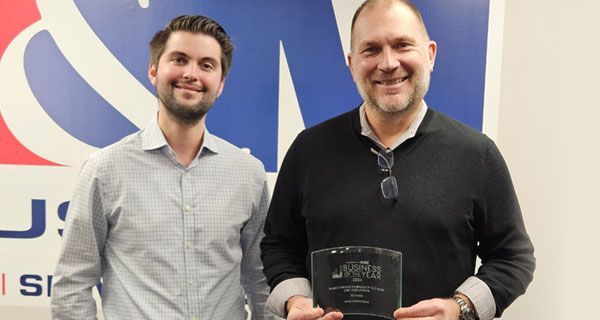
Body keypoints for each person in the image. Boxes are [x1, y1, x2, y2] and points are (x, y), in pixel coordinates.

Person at [260, 1, 535, 320]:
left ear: (430, 54)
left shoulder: (477, 154)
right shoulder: (308, 150)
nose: (388, 63)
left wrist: (459, 307)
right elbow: (278, 245)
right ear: (352, 64)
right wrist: (295, 299)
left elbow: (513, 257)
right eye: (371, 50)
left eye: (402, 45)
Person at [52, 15, 274, 320]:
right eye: (179, 59)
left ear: (220, 84)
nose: (191, 74)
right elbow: (73, 283)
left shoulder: (248, 173)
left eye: (207, 65)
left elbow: (260, 280)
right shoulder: (104, 170)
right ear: (154, 71)